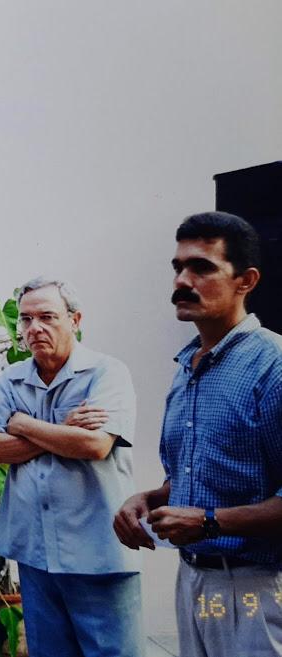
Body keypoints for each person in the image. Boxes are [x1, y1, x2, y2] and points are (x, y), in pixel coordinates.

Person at [114, 212, 282, 657]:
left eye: (202, 267)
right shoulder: (189, 366)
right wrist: (149, 498)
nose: (182, 281)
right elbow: (200, 474)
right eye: (178, 267)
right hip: (194, 580)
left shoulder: (274, 366)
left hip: (257, 588)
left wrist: (209, 521)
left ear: (246, 280)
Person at [0, 276, 142, 657]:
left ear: (75, 319)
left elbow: (95, 445)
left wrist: (23, 424)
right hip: (36, 554)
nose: (34, 328)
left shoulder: (106, 373)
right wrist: (62, 428)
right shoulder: (10, 381)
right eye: (26, 319)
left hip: (98, 551)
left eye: (47, 317)